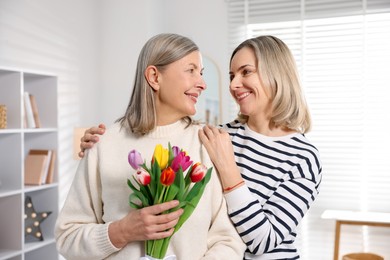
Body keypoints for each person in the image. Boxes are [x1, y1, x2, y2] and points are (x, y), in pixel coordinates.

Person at [79, 35, 322, 259]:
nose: (234, 85)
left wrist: (229, 170)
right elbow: (163, 137)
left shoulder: (303, 157)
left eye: (245, 72)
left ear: (276, 74)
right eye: (231, 75)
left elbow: (263, 241)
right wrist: (101, 144)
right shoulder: (217, 136)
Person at [55, 33, 246, 260]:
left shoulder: (208, 143)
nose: (202, 84)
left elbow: (229, 241)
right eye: (191, 70)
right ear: (155, 77)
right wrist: (122, 231)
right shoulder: (103, 144)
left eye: (201, 73)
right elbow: (67, 238)